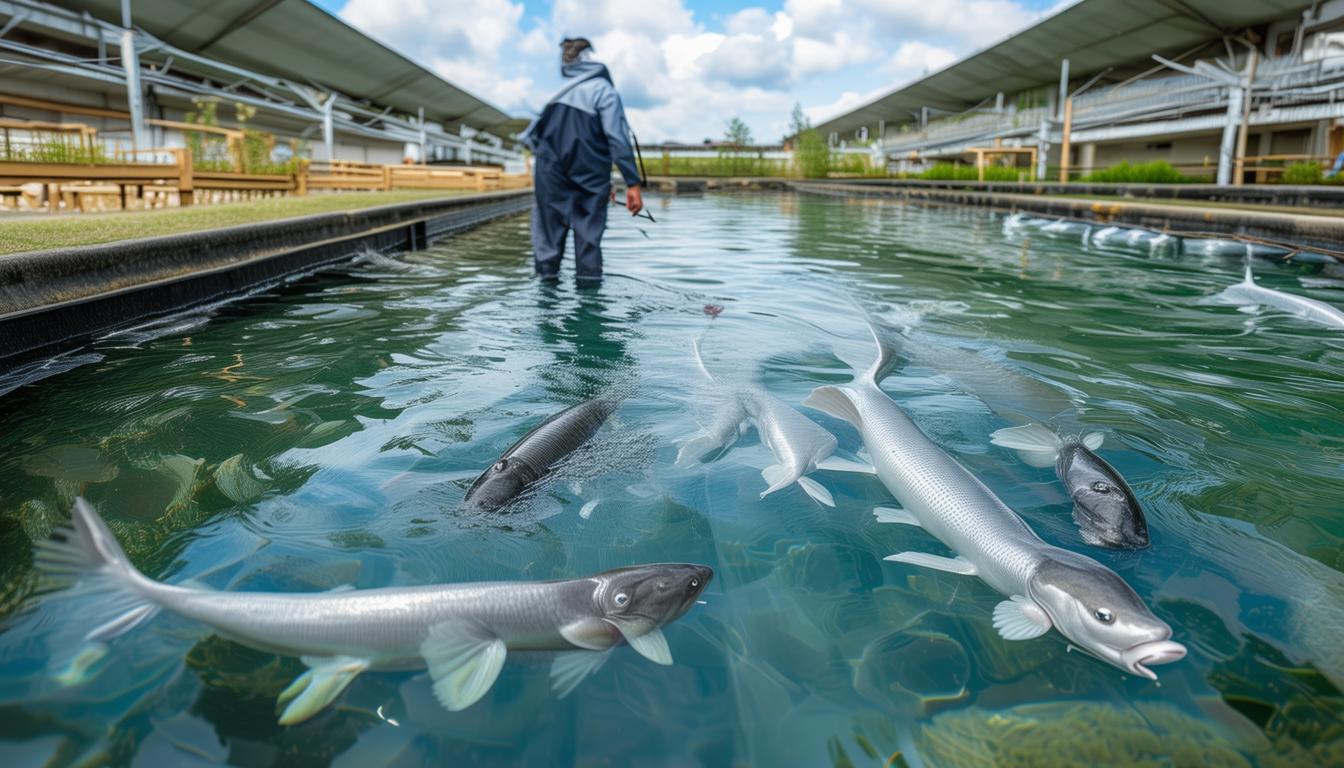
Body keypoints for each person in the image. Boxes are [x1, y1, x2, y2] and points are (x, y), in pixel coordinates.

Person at [521, 38, 644, 283]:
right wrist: (632, 183)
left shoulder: (554, 98)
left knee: (547, 241)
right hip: (590, 179)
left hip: (550, 176)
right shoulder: (604, 91)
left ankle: (545, 294)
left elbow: (537, 142)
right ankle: (589, 304)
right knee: (588, 243)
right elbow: (617, 139)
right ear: (591, 58)